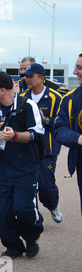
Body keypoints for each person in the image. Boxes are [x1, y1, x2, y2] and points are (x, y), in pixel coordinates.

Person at [0, 71, 44, 258]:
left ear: (3, 90)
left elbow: (36, 134)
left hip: (25, 169)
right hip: (0, 170)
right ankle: (13, 246)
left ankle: (31, 237)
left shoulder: (27, 106)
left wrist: (14, 135)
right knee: (2, 213)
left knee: (23, 208)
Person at [20, 63, 63, 223]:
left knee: (45, 186)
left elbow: (61, 124)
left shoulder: (55, 98)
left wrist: (45, 120)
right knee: (28, 186)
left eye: (31, 76)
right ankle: (35, 216)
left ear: (42, 78)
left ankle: (52, 205)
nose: (27, 79)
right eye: (26, 76)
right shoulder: (23, 97)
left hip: (48, 150)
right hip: (26, 149)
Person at [54, 53, 82, 214]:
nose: (74, 72)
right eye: (76, 67)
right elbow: (60, 129)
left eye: (79, 68)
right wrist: (78, 138)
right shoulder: (70, 99)